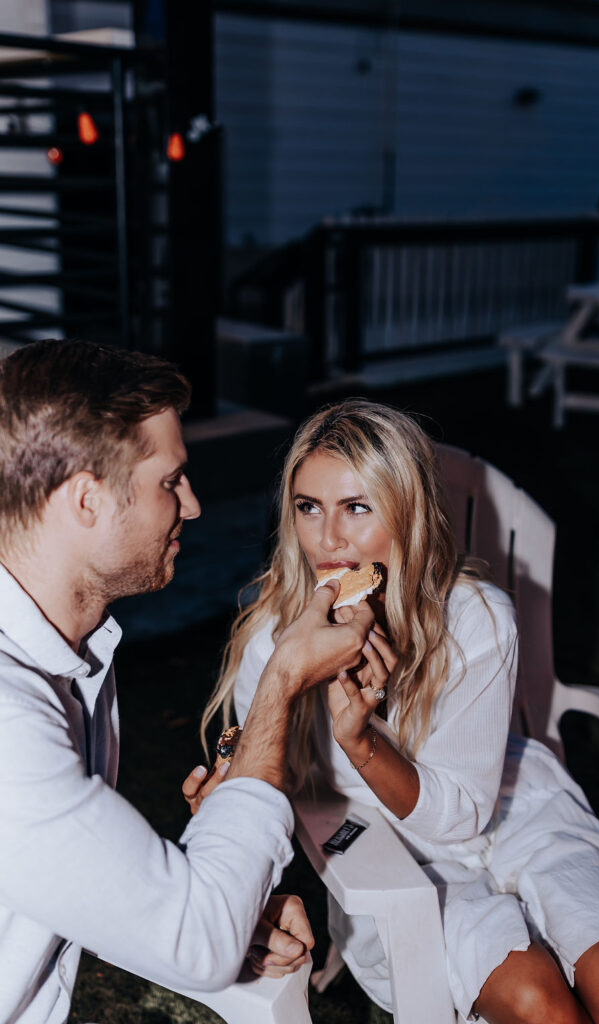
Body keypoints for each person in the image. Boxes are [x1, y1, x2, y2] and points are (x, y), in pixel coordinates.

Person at [202, 398, 599, 1024]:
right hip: (395, 851)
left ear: (407, 510)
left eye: (356, 507)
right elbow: (255, 777)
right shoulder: (277, 639)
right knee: (538, 1001)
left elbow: (466, 812)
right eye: (308, 507)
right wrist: (251, 776)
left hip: (519, 816)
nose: (328, 539)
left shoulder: (476, 618)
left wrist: (364, 741)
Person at [0, 339, 373, 1024]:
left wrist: (211, 903)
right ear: (86, 500)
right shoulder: (9, 721)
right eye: (171, 481)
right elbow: (198, 944)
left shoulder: (69, 653)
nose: (194, 505)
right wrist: (283, 679)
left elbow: (57, 875)